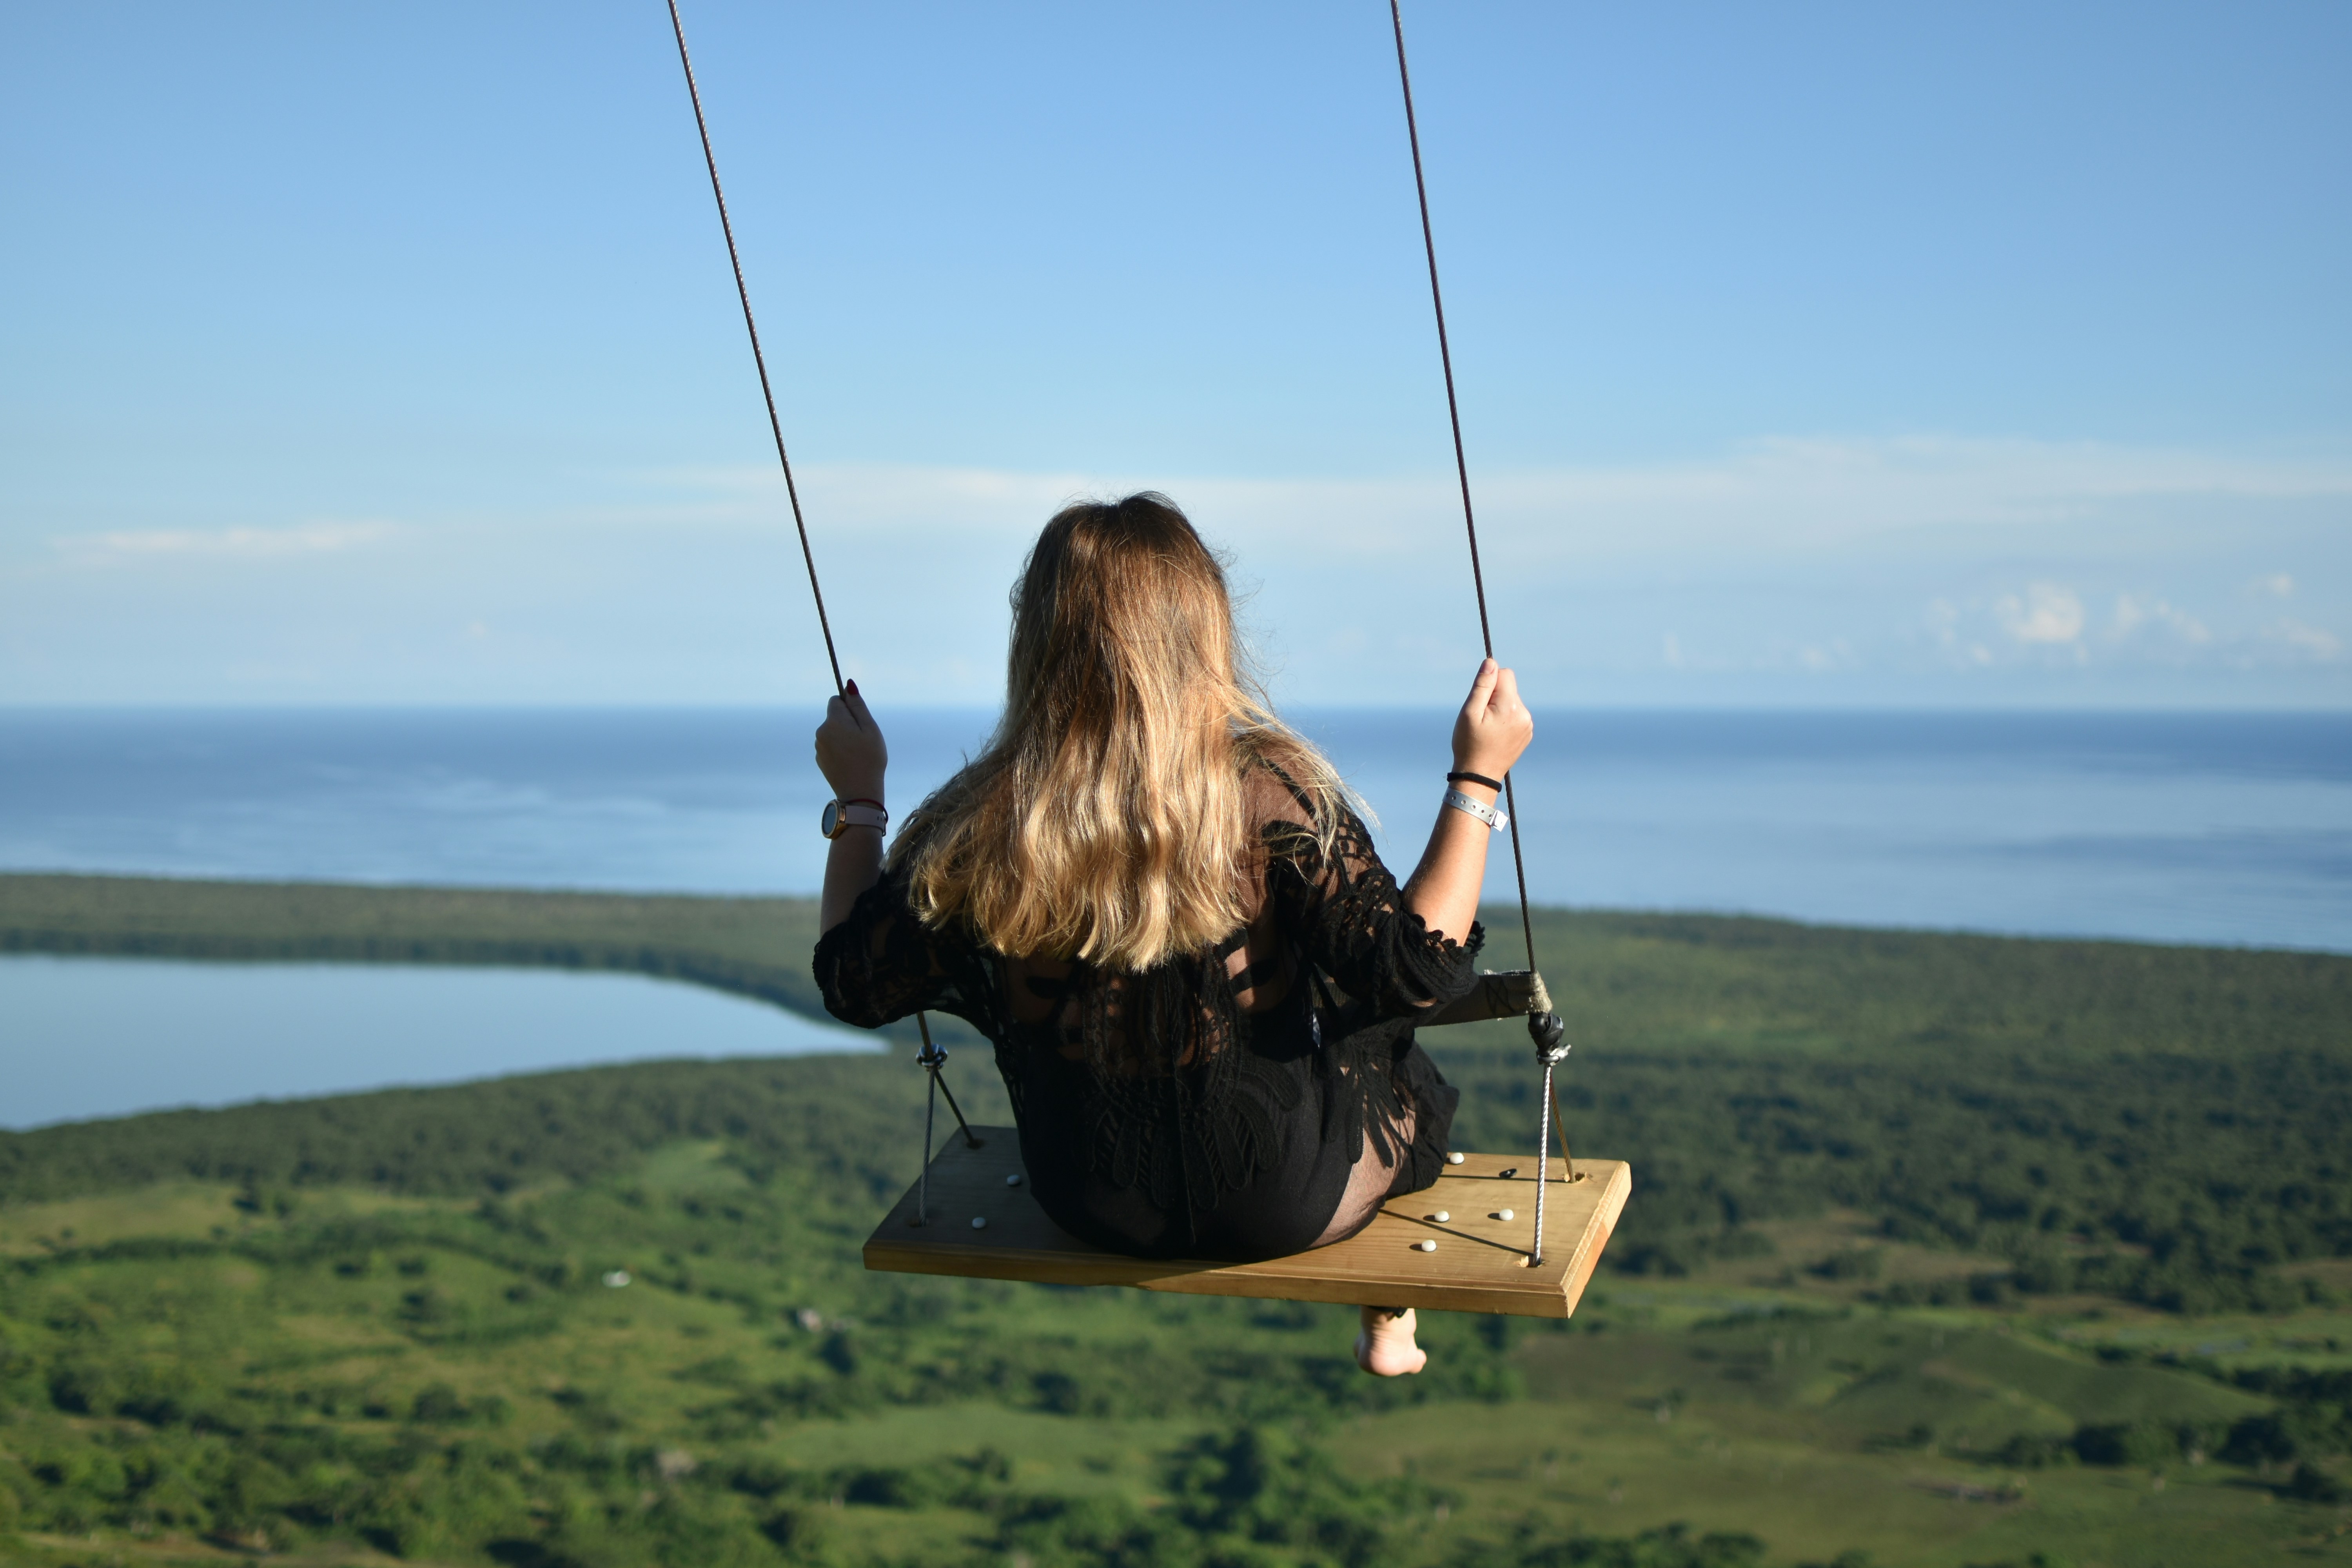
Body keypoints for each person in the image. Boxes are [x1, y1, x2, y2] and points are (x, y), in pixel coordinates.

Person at [812, 492, 1533, 1376]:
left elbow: (855, 981)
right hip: (1291, 1197)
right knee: (1382, 1041)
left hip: (1089, 1195)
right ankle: (1390, 1312)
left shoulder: (987, 820)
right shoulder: (1268, 792)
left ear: (1036, 642)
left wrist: (860, 801)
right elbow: (1416, 968)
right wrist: (1478, 776)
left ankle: (1387, 1311)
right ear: (1203, 632)